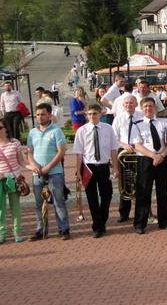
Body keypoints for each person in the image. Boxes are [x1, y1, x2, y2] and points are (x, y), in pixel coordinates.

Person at [73, 104, 119, 238]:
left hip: (104, 166)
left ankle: (102, 220)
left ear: (100, 114)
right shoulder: (81, 131)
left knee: (107, 195)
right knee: (92, 198)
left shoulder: (108, 129)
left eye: (94, 113)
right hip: (88, 167)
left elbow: (113, 149)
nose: (92, 116)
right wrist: (78, 171)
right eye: (89, 114)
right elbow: (79, 153)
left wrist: (115, 167)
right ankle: (97, 226)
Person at [26, 103, 70, 240]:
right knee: (39, 203)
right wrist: (33, 165)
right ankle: (41, 229)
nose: (40, 117)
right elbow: (29, 152)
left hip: (54, 171)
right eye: (38, 114)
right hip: (37, 173)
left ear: (50, 115)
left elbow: (61, 152)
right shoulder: (32, 132)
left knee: (58, 201)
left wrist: (48, 167)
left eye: (43, 114)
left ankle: (63, 228)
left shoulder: (56, 131)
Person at [132, 97, 167, 234]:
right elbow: (137, 145)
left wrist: (162, 155)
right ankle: (140, 223)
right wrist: (153, 156)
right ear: (141, 109)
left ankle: (164, 222)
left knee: (162, 192)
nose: (148, 108)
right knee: (143, 192)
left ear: (155, 108)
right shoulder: (136, 124)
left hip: (162, 159)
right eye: (145, 106)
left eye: (150, 106)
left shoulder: (164, 122)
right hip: (145, 159)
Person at [0, 118, 33, 243]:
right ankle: (2, 233)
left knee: (15, 207)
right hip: (1, 180)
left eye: (0, 128)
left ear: (6, 129)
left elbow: (21, 161)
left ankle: (17, 232)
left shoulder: (15, 143)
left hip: (14, 179)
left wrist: (32, 167)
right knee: (1, 208)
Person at [111, 94, 143, 222]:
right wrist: (124, 145)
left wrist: (138, 146)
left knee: (140, 181)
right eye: (126, 103)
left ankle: (141, 212)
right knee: (125, 182)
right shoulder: (118, 119)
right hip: (124, 152)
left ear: (136, 104)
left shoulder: (142, 117)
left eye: (131, 103)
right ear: (123, 105)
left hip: (139, 151)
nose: (128, 105)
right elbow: (114, 138)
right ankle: (124, 213)